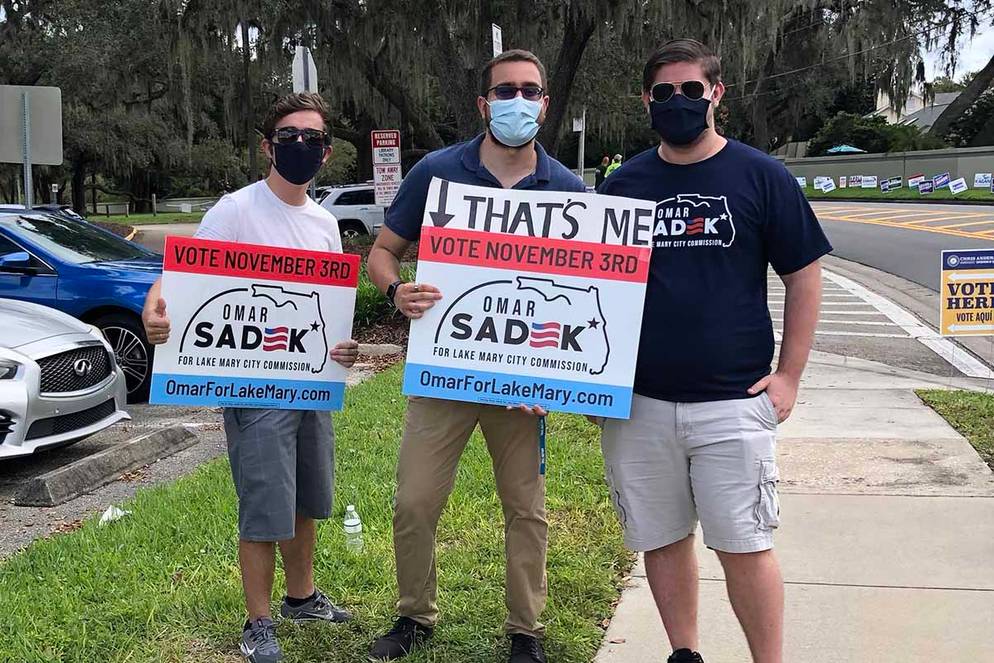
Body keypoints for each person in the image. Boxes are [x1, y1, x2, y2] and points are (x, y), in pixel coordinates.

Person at [596, 39, 829, 663]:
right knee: (663, 539)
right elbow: (588, 289)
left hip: (733, 399)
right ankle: (685, 653)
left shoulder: (761, 176)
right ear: (647, 100)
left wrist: (789, 377)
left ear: (716, 94)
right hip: (638, 403)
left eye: (691, 90)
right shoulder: (624, 185)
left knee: (745, 544)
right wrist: (580, 381)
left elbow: (804, 275)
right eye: (664, 93)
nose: (679, 102)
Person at [366, 49, 586, 663]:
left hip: (523, 382)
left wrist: (562, 379)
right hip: (444, 372)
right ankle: (414, 615)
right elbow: (383, 252)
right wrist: (395, 289)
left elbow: (583, 295)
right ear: (484, 103)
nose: (518, 101)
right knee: (413, 501)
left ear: (544, 103)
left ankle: (525, 631)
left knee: (526, 507)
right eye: (505, 91)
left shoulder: (566, 187)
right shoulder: (437, 172)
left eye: (530, 91)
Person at [142, 92, 360, 663]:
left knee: (308, 498)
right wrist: (154, 308)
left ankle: (302, 597)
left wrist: (345, 347)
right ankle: (258, 622)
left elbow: (329, 308)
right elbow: (180, 274)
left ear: (327, 152)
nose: (301, 146)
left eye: (313, 138)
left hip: (311, 381)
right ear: (268, 146)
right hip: (253, 388)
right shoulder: (237, 209)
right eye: (289, 136)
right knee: (264, 503)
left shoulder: (325, 224)